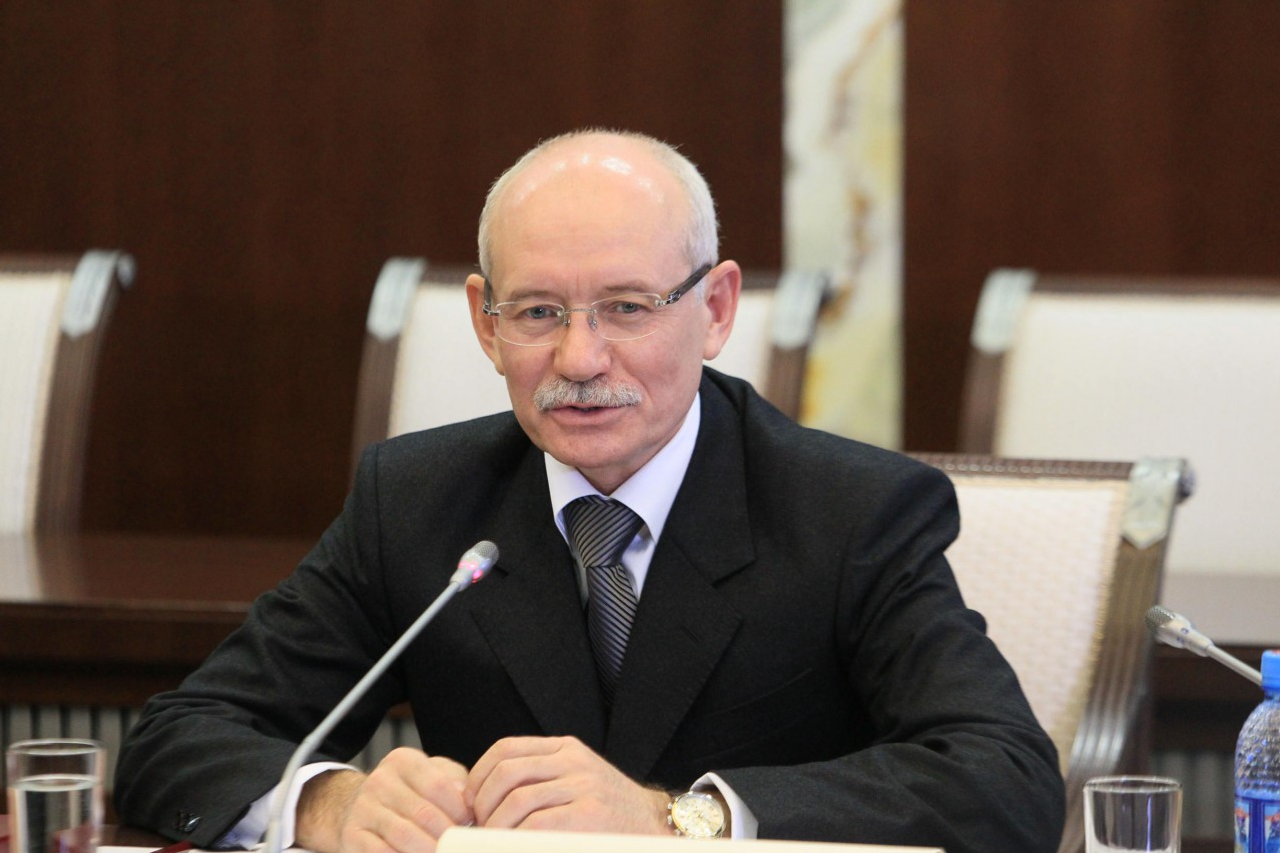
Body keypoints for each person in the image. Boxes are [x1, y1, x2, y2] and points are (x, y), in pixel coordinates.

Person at [114, 129, 1064, 853]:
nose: (579, 358)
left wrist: (681, 816)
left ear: (715, 309)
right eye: (538, 312)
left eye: (626, 307)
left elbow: (1004, 778)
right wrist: (332, 801)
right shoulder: (417, 502)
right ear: (486, 325)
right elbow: (179, 737)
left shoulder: (849, 510)